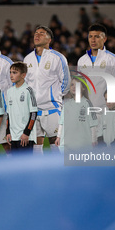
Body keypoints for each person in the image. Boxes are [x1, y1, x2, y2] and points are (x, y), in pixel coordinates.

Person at [24, 25, 70, 155]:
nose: (37, 35)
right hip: (33, 110)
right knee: (35, 148)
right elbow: (27, 83)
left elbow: (66, 82)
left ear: (49, 40)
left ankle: (61, 173)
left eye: (41, 33)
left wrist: (54, 97)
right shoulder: (28, 59)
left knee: (56, 144)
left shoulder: (58, 58)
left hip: (52, 108)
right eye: (36, 33)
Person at [77, 23, 115, 109]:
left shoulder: (112, 59)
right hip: (86, 110)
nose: (93, 40)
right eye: (90, 36)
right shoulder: (82, 60)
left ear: (104, 39)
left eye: (97, 37)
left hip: (105, 110)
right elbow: (79, 85)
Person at [55, 77, 98, 151]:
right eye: (72, 84)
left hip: (82, 144)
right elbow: (61, 123)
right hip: (66, 144)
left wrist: (93, 139)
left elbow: (93, 124)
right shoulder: (66, 104)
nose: (74, 87)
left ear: (83, 88)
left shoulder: (87, 103)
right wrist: (58, 136)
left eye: (77, 85)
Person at [6, 62, 37, 153]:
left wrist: (26, 133)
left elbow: (34, 114)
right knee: (15, 165)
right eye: (10, 72)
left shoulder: (29, 90)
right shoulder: (9, 91)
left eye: (15, 72)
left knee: (26, 166)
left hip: (25, 136)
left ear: (23, 75)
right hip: (13, 136)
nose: (11, 75)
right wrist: (8, 132)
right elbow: (8, 114)